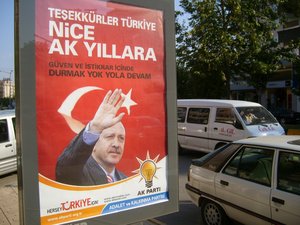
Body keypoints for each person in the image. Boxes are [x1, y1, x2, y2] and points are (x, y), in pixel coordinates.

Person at [56, 89, 127, 186]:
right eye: (110, 136)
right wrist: (95, 128)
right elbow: (66, 168)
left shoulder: (126, 180)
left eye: (121, 138)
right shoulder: (78, 172)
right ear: (94, 143)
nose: (116, 144)